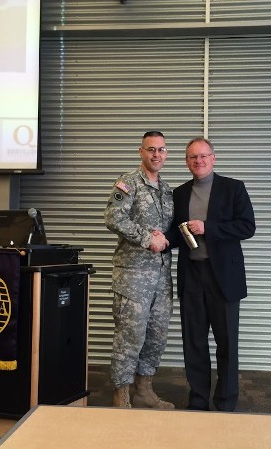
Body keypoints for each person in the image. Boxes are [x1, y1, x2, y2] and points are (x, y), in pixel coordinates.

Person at [168, 137, 255, 411]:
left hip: (224, 280)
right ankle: (197, 400)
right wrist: (159, 238)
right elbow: (177, 233)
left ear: (213, 158)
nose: (199, 161)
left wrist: (209, 228)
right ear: (186, 162)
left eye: (204, 156)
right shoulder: (179, 193)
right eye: (193, 157)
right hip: (191, 275)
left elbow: (247, 227)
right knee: (193, 342)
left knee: (227, 343)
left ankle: (226, 401)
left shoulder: (233, 188)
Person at [103, 131, 175, 409]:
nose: (157, 155)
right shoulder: (129, 183)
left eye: (162, 150)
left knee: (156, 336)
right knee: (129, 337)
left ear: (166, 154)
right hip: (132, 277)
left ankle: (144, 391)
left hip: (161, 278)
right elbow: (112, 216)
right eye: (151, 149)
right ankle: (121, 395)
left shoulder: (167, 190)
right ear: (141, 152)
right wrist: (147, 238)